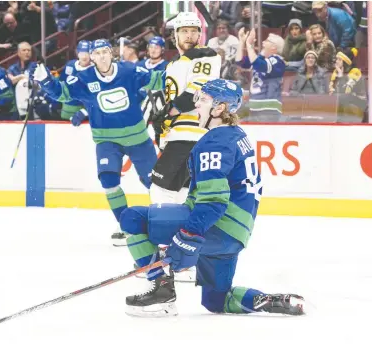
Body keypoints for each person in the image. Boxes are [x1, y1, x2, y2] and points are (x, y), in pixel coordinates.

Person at [119, 78, 305, 317]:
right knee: (216, 301)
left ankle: (160, 290)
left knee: (132, 217)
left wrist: (188, 236)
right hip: (235, 235)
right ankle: (273, 301)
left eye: (203, 100)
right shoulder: (236, 135)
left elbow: (213, 202)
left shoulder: (214, 143)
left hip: (216, 226)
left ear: (219, 108)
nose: (196, 105)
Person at [30, 39, 159, 245]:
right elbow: (62, 93)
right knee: (108, 182)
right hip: (106, 140)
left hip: (138, 139)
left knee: (155, 183)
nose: (101, 56)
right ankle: (126, 223)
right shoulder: (83, 78)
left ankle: (160, 222)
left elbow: (158, 80)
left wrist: (181, 73)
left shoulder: (129, 71)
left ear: (112, 53)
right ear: (91, 57)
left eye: (105, 52)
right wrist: (46, 82)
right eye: (97, 53)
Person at [150, 11, 221, 205]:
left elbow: (197, 91)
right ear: (176, 35)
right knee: (181, 191)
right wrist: (162, 127)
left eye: (193, 31)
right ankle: (179, 231)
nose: (189, 35)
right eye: (184, 31)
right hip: (179, 134)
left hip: (191, 134)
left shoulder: (205, 55)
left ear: (199, 34)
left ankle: (160, 230)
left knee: (159, 187)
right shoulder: (173, 64)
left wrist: (168, 111)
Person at [235, 28, 286, 122]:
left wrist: (249, 45)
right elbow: (240, 61)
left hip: (268, 108)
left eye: (267, 41)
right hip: (253, 107)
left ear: (274, 47)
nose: (263, 42)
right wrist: (242, 42)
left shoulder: (278, 61)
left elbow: (259, 65)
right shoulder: (261, 59)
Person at [58, 40, 93, 121]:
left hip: (85, 113)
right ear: (77, 53)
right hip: (66, 112)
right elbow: (61, 82)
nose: (84, 56)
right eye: (82, 52)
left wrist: (85, 112)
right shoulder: (70, 65)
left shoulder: (95, 70)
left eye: (87, 53)